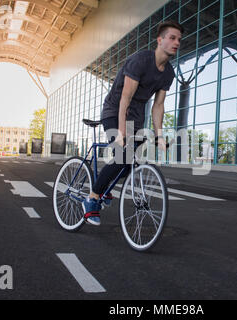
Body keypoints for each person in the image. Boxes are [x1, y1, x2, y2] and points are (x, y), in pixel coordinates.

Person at [82, 20, 183, 226]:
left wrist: (160, 136)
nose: (177, 42)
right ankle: (92, 199)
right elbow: (125, 99)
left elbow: (158, 106)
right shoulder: (140, 61)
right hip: (115, 111)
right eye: (172, 38)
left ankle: (104, 189)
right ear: (160, 40)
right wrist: (120, 132)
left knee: (129, 165)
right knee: (121, 157)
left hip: (136, 118)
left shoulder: (169, 73)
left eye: (179, 39)